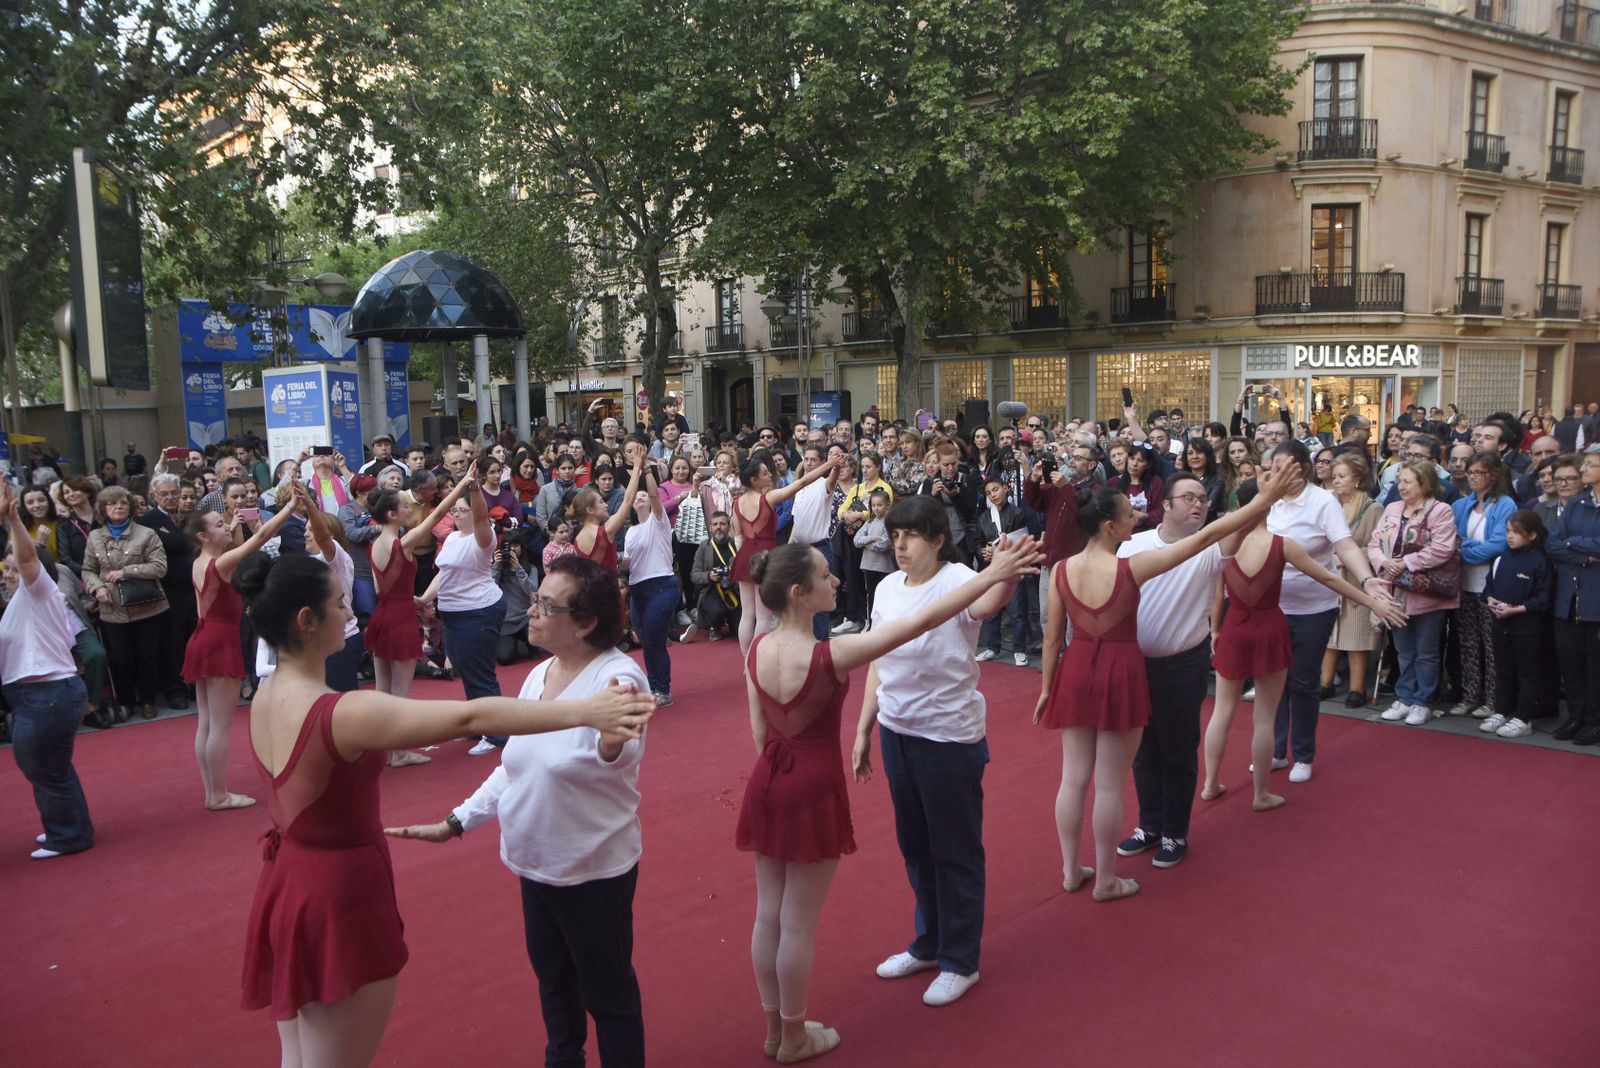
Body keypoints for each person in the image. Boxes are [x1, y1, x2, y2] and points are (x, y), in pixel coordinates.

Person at [235, 550, 653, 1068]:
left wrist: (457, 820)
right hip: (337, 893)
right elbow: (469, 717)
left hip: (292, 881)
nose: (351, 614)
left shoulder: (265, 693)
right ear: (306, 621)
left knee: (301, 1052)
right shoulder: (345, 710)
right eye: (341, 603)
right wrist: (584, 711)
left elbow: (600, 753)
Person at [744, 534, 1039, 1059]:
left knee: (770, 913)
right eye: (824, 576)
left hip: (768, 781)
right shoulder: (833, 652)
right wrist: (992, 575)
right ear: (798, 593)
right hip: (812, 784)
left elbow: (762, 737)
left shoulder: (757, 649)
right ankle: (792, 1035)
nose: (836, 581)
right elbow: (921, 623)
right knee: (797, 923)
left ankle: (774, 1029)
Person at [388, 556, 653, 1067]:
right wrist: (456, 822)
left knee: (608, 994)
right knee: (555, 987)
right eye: (534, 600)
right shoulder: (540, 674)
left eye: (545, 605)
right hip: (533, 864)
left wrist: (611, 745)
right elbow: (516, 765)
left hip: (592, 870)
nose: (531, 612)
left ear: (586, 622)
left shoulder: (619, 679)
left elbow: (615, 755)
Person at [1034, 469, 1289, 902]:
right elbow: (1205, 538)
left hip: (1076, 670)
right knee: (1111, 783)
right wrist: (1263, 501)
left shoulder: (1060, 569)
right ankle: (1107, 880)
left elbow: (1052, 638)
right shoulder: (1132, 565)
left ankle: (1071, 869)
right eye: (1128, 513)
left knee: (1073, 778)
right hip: (1120, 669)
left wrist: (1046, 688)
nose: (1137, 515)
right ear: (1110, 526)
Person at [1200, 478, 1405, 808]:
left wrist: (1215, 629)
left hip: (1236, 626)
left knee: (1222, 712)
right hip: (1269, 626)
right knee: (1264, 718)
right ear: (1268, 505)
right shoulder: (1282, 544)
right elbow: (1328, 577)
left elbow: (1215, 592)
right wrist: (1372, 600)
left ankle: (1210, 783)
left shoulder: (1225, 543)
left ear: (1240, 507)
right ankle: (1260, 794)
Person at [1263, 441, 1383, 781]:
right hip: (1271, 605)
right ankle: (1273, 749)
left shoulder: (1322, 501)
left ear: (1301, 469)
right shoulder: (1267, 499)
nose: (1273, 472)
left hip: (1314, 606)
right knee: (1273, 681)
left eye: (1281, 466)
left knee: (1302, 680)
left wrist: (1367, 580)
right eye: (1271, 466)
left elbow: (1344, 544)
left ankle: (1302, 753)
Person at [183, 488, 307, 810]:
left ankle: (212, 792)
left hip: (203, 636)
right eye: (218, 524)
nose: (225, 525)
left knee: (207, 721)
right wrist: (291, 506)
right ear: (203, 535)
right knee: (220, 724)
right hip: (218, 639)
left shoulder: (201, 561)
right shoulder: (220, 563)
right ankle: (219, 794)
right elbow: (263, 535)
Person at [0, 483, 95, 859]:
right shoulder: (22, 602)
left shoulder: (37, 591)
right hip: (39, 695)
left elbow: (26, 559)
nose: (8, 573)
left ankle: (69, 834)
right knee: (47, 766)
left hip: (48, 694)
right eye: (4, 568)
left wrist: (11, 518)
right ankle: (67, 825)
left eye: (11, 568)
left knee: (46, 768)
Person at [368, 474, 475, 762]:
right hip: (399, 618)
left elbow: (380, 587)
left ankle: (386, 749)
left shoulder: (377, 543)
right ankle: (398, 752)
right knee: (400, 692)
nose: (408, 510)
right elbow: (438, 513)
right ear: (392, 514)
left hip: (383, 614)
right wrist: (464, 482)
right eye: (403, 507)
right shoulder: (400, 543)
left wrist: (408, 598)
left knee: (382, 689)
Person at [416, 466, 513, 755]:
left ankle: (496, 734)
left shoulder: (483, 538)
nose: (455, 514)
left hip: (479, 611)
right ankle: (477, 724)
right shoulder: (452, 539)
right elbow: (443, 573)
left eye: (461, 510)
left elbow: (482, 516)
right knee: (465, 669)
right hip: (454, 614)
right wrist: (424, 598)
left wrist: (473, 489)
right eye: (454, 510)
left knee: (481, 674)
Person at [1369, 461, 1461, 725]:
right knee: (1403, 649)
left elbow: (1442, 548)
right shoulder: (1392, 508)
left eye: (1408, 481)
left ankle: (1423, 701)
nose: (1402, 486)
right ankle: (1404, 697)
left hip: (1425, 592)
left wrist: (1406, 563)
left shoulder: (1440, 510)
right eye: (1400, 481)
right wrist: (1382, 561)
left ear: (1424, 483)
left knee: (1427, 650)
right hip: (1394, 589)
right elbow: (1375, 542)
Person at [732, 450, 836, 656]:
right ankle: (756, 658)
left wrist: (741, 557)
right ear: (754, 479)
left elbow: (738, 537)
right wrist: (829, 464)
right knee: (763, 616)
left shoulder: (737, 503)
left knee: (747, 613)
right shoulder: (768, 498)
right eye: (764, 473)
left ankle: (746, 659)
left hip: (744, 555)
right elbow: (801, 483)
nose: (770, 474)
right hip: (764, 555)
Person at [81, 486, 169, 721]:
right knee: (120, 659)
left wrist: (126, 572)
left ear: (130, 506)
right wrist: (97, 587)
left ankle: (148, 701)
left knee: (147, 657)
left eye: (123, 502)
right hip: (112, 611)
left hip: (147, 607)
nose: (118, 507)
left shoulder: (146, 534)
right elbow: (88, 570)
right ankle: (126, 702)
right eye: (112, 503)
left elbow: (160, 567)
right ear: (103, 509)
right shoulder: (96, 537)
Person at [1448, 452, 1517, 720]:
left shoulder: (1505, 504)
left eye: (1478, 472)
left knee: (1492, 646)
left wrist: (1464, 547)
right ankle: (1469, 695)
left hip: (1491, 587)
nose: (1472, 476)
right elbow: (1448, 542)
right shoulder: (1461, 505)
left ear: (1493, 474)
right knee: (1467, 643)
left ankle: (1493, 699)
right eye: (1470, 472)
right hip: (1463, 584)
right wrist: (1466, 547)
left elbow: (1498, 545)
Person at [1320, 452, 1384, 707]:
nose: (1336, 481)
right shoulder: (1329, 503)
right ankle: (1324, 682)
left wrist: (1347, 558)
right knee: (1329, 634)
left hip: (1357, 580)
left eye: (1342, 476)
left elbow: (1378, 546)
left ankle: (1357, 688)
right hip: (1329, 578)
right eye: (1334, 476)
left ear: (1357, 479)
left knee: (1357, 636)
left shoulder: (1372, 507)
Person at [1482, 510, 1552, 739]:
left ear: (1532, 535)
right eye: (1508, 531)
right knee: (1503, 670)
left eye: (1517, 532)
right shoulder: (1501, 557)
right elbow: (1489, 587)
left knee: (1527, 673)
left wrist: (1517, 609)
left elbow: (1543, 598)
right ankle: (1502, 710)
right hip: (1500, 624)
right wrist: (1491, 601)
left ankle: (1523, 717)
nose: (1510, 536)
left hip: (1526, 627)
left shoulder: (1539, 560)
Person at [1547, 448, 1600, 745]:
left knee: (1595, 665)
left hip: (1596, 600)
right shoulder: (1577, 503)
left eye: (1591, 465)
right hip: (1568, 598)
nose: (1584, 470)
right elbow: (1554, 545)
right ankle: (1576, 716)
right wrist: (1585, 555)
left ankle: (1594, 720)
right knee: (1571, 661)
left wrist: (1575, 542)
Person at [622, 475, 678, 705]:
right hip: (638, 589)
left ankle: (663, 689)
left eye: (643, 495)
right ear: (632, 505)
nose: (641, 498)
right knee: (646, 640)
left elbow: (655, 495)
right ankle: (653, 685)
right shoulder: (630, 532)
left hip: (662, 585)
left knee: (655, 639)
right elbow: (627, 562)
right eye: (637, 497)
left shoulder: (659, 520)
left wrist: (645, 470)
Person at [973, 477, 1030, 665]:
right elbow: (979, 541)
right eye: (989, 493)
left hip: (1012, 566)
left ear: (1005, 488)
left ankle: (1020, 649)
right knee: (991, 610)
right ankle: (992, 647)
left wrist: (996, 550)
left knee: (1017, 610)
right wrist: (984, 552)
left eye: (996, 489)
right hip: (992, 567)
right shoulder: (983, 517)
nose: (993, 495)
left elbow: (1020, 539)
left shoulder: (1017, 513)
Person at [686, 511, 742, 642]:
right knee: (716, 611)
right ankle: (714, 626)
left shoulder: (736, 544)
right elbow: (694, 575)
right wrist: (708, 576)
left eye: (722, 524)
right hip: (712, 590)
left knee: (741, 631)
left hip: (735, 590)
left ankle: (733, 624)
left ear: (729, 526)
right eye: (715, 524)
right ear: (710, 527)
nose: (718, 527)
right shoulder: (704, 546)